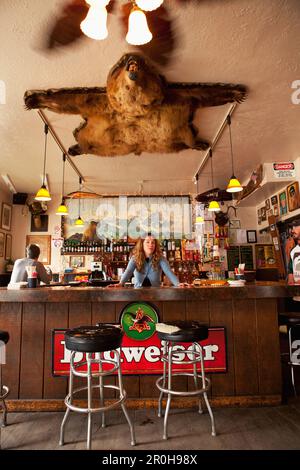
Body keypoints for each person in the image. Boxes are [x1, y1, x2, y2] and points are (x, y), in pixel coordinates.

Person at [109, 235, 183, 288]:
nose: (150, 245)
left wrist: (178, 284)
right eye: (147, 242)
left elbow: (169, 272)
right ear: (142, 244)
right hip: (138, 294)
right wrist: (120, 283)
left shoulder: (161, 258)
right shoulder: (135, 258)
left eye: (153, 242)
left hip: (156, 294)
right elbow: (128, 271)